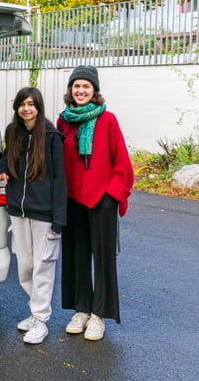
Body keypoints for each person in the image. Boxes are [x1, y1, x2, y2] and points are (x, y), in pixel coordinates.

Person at [57, 65, 134, 342]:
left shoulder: (108, 120)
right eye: (76, 86)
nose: (81, 91)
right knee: (76, 257)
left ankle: (99, 315)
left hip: (101, 200)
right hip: (73, 200)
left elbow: (122, 163)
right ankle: (81, 310)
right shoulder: (63, 121)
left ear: (94, 91)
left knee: (102, 260)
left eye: (86, 87)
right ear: (70, 90)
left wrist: (111, 195)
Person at [0, 87, 67, 344]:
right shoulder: (12, 132)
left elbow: (60, 179)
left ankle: (41, 319)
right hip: (18, 211)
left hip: (44, 214)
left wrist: (59, 219)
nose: (26, 108)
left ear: (39, 107)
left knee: (43, 266)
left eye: (31, 104)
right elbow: (6, 159)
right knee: (25, 266)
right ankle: (34, 312)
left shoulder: (51, 137)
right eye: (22, 104)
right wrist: (3, 166)